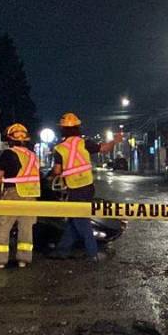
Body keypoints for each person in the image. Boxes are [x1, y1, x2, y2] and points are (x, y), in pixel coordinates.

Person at [50, 112, 107, 261]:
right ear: (77, 127)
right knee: (74, 220)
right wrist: (116, 140)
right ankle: (62, 250)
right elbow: (103, 148)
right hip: (88, 186)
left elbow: (56, 171)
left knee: (81, 220)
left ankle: (92, 253)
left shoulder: (60, 148)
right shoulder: (84, 143)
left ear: (62, 129)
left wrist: (53, 176)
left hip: (75, 187)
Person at [0, 123, 40, 270]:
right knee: (26, 228)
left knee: (1, 226)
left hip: (12, 193)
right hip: (31, 195)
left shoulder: (8, 154)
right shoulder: (33, 156)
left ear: (10, 139)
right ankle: (24, 259)